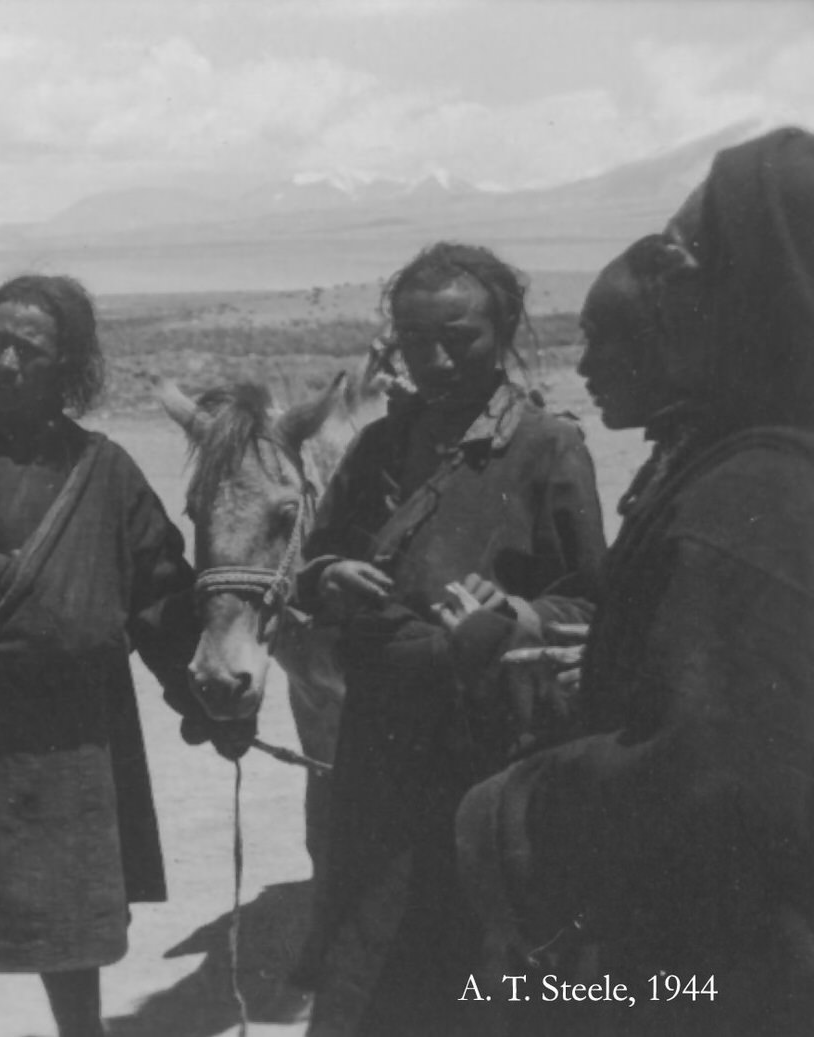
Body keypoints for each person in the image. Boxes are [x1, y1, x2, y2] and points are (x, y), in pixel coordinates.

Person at [458, 127, 814, 1036]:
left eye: (685, 256)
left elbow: (716, 777)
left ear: (763, 280)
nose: (666, 282)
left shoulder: (756, 492)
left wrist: (514, 802)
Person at [0, 273, 230, 1037]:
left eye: (29, 349)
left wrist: (205, 701)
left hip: (74, 737)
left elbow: (159, 597)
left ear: (68, 367)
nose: (7, 363)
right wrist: (8, 576)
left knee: (70, 939)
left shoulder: (106, 470)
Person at [293, 243, 607, 1035]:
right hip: (376, 750)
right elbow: (314, 559)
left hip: (488, 756)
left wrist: (513, 616)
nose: (433, 358)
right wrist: (328, 574)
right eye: (411, 337)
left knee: (475, 975)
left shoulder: (546, 447)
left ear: (501, 331)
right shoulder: (378, 448)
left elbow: (592, 607)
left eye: (458, 337)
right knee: (365, 971)